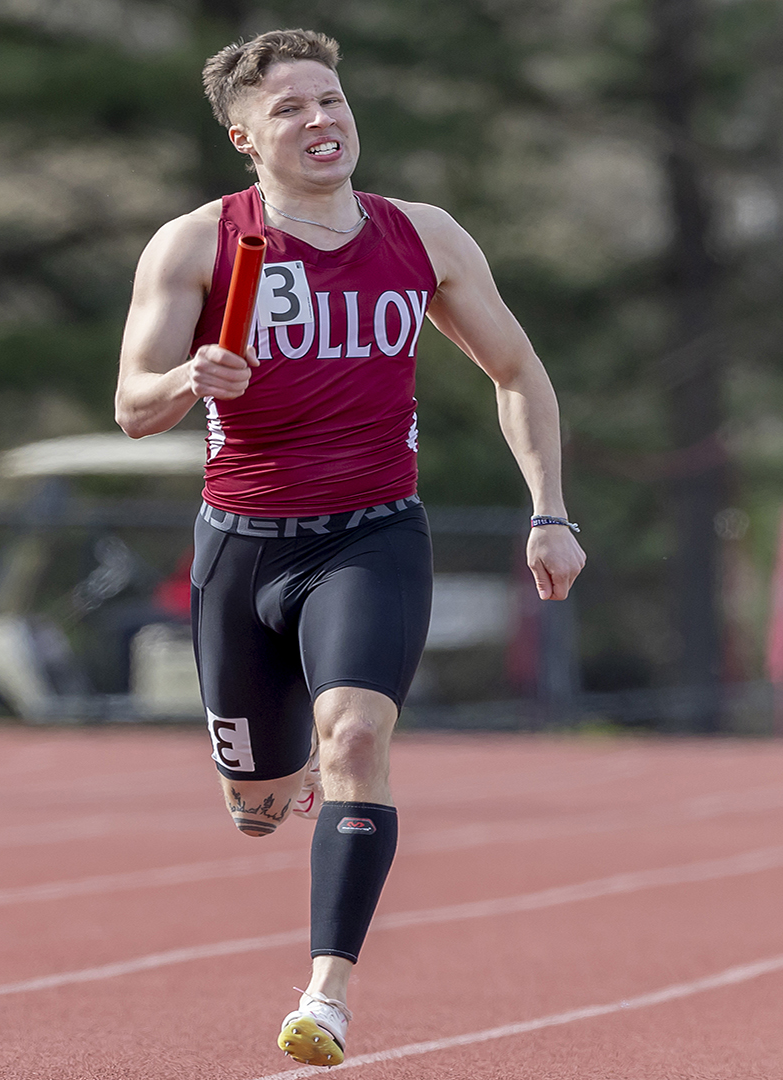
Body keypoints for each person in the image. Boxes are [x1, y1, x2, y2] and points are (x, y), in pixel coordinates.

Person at [114, 29, 585, 1067]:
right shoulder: (197, 244)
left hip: (372, 537)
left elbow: (518, 372)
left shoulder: (423, 237)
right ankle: (283, 777)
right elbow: (130, 405)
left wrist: (549, 510)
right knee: (259, 809)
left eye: (331, 100)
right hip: (242, 548)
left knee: (358, 740)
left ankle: (326, 997)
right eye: (290, 109)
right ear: (244, 137)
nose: (321, 120)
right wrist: (192, 378)